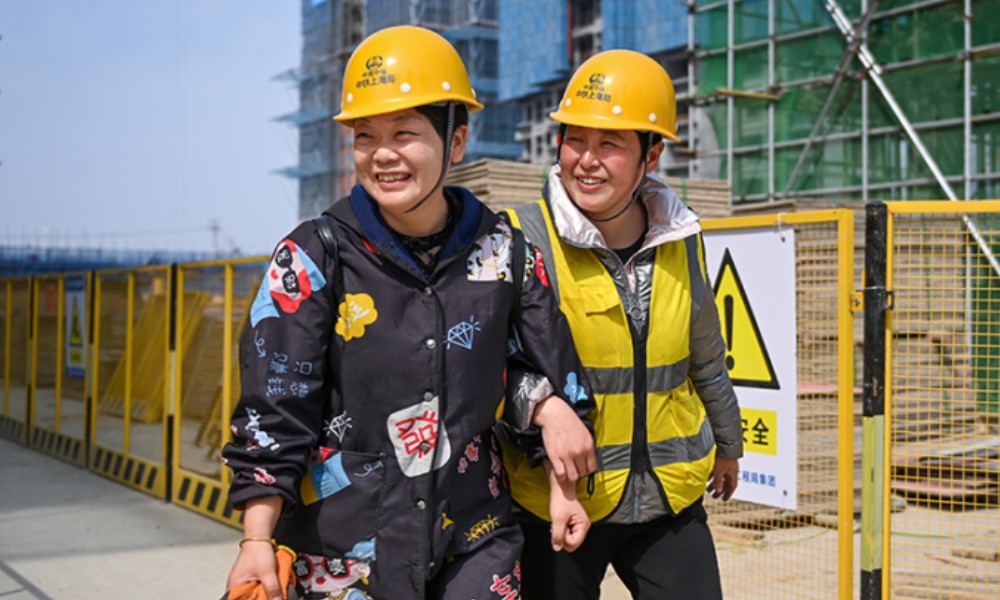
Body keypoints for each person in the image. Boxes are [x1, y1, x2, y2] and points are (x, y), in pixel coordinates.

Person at [221, 25, 594, 600]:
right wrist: (256, 542)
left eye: (404, 132)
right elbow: (276, 408)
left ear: (457, 141)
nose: (382, 154)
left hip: (474, 541)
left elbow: (545, 367)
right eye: (365, 136)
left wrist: (551, 423)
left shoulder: (504, 252)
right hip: (346, 557)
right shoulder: (314, 256)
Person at [500, 49, 744, 599]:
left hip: (667, 498)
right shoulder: (520, 239)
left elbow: (705, 353)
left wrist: (728, 443)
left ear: (650, 155)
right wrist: (541, 403)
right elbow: (490, 368)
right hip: (558, 505)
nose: (586, 160)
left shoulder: (679, 239)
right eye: (575, 140)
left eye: (610, 144)